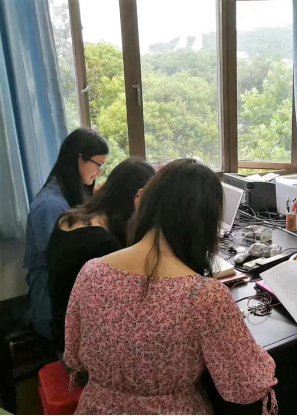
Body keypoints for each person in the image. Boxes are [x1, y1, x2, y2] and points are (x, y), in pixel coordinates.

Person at [64, 159, 277, 415]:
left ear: (146, 203)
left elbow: (73, 355)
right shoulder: (205, 296)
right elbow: (244, 386)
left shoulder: (91, 271)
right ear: (204, 222)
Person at [48, 158, 155, 355]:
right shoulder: (103, 244)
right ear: (135, 198)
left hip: (62, 334)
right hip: (82, 352)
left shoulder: (69, 218)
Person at [24, 128, 109, 340]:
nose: (99, 172)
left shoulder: (72, 193)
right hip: (52, 305)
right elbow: (61, 263)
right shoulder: (49, 205)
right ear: (80, 159)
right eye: (98, 165)